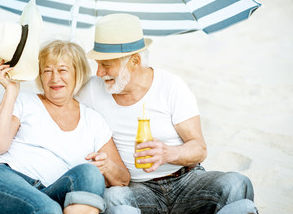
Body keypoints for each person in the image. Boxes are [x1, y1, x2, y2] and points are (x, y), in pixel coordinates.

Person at [75, 13, 258, 214]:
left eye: (106, 64)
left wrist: (169, 153)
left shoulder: (171, 86)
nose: (99, 72)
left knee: (237, 183)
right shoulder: (92, 90)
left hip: (186, 181)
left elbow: (199, 148)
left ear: (135, 61)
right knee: (113, 197)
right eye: (98, 64)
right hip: (137, 188)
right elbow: (59, 101)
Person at [0, 40, 130, 214]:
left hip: (48, 192)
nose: (54, 78)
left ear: (77, 73)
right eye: (47, 71)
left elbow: (123, 179)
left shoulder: (94, 121)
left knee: (89, 174)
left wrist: (107, 167)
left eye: (62, 70)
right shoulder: (25, 101)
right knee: (48, 209)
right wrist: (11, 92)